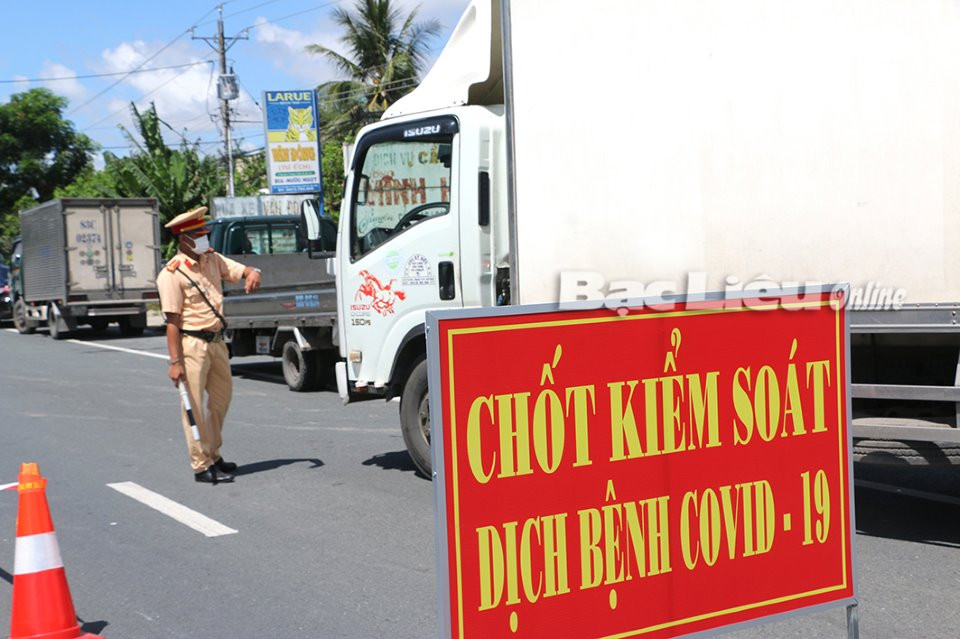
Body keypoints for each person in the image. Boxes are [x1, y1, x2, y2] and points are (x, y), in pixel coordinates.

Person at [156, 206, 261, 483]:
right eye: (198, 235)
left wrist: (252, 272)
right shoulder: (172, 274)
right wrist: (174, 362)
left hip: (217, 342)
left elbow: (240, 270)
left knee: (220, 401)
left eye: (205, 233)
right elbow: (172, 322)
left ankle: (213, 453)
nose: (205, 239)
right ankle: (201, 465)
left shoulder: (212, 259)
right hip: (192, 344)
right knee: (192, 406)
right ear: (183, 239)